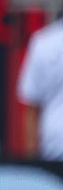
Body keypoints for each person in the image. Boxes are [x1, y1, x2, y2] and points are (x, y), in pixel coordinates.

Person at [16, 15, 63, 160]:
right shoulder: (44, 42)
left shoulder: (44, 42)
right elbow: (32, 108)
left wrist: (33, 164)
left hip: (53, 151)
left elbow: (32, 110)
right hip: (54, 152)